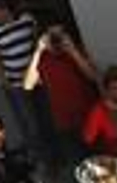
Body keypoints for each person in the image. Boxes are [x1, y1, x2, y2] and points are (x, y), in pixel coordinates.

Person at [21, 19, 98, 173]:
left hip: (89, 117)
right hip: (65, 123)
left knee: (99, 162)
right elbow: (28, 85)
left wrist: (73, 51)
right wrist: (38, 51)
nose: (57, 39)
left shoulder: (77, 51)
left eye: (61, 34)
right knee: (81, 167)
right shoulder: (43, 58)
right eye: (53, 36)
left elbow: (93, 76)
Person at [0, 0, 49, 160]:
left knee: (46, 118)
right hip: (16, 85)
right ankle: (41, 159)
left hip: (38, 81)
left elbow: (36, 42)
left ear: (5, 10)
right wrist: (6, 83)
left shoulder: (27, 21)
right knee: (30, 123)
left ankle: (54, 155)